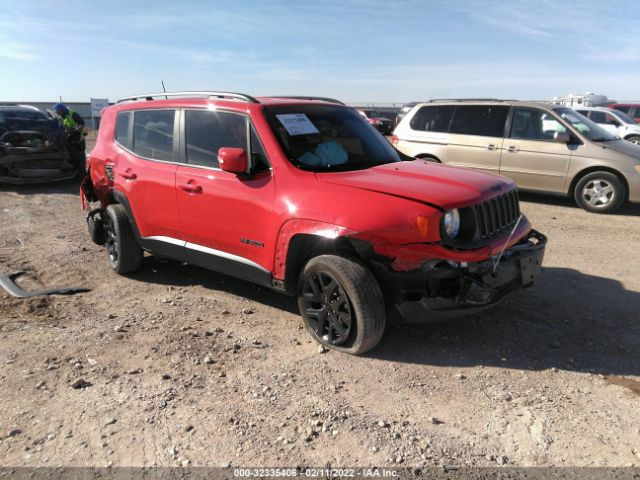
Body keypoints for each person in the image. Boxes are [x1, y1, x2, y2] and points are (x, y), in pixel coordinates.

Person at [53, 103, 87, 174]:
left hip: (79, 138)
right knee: (72, 154)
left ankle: (82, 173)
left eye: (59, 112)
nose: (59, 114)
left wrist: (77, 131)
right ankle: (76, 170)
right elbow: (65, 128)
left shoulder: (72, 114)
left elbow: (82, 122)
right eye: (57, 112)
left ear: (63, 110)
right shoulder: (64, 117)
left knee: (79, 155)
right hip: (72, 138)